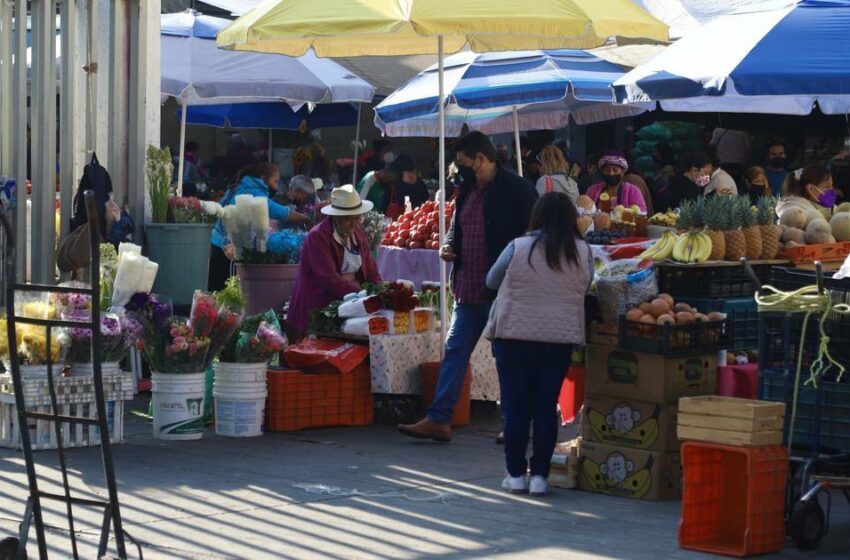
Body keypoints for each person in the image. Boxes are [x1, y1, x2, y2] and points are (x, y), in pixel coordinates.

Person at [397, 131, 537, 443]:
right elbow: (457, 227)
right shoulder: (466, 191)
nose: (460, 171)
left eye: (464, 164)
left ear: (482, 159)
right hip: (467, 286)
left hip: (502, 290)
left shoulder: (518, 190)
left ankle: (516, 422)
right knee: (455, 351)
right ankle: (438, 418)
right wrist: (448, 245)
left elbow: (533, 236)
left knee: (506, 358)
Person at [484, 192, 592, 495]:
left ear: (537, 215)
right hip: (556, 341)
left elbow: (491, 280)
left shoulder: (518, 247)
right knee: (545, 408)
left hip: (513, 338)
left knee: (515, 408)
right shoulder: (581, 251)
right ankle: (541, 478)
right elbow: (587, 284)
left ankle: (515, 475)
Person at [287, 185, 382, 341]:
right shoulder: (318, 237)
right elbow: (328, 279)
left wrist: (379, 291)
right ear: (336, 217)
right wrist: (363, 294)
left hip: (348, 303)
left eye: (357, 217)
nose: (354, 224)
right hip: (317, 307)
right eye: (348, 219)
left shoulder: (358, 235)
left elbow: (371, 271)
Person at [208, 162, 309, 291]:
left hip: (217, 242)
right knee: (225, 289)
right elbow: (279, 211)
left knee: (218, 289)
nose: (277, 187)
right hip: (227, 247)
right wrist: (305, 218)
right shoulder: (252, 191)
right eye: (275, 181)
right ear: (263, 179)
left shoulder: (240, 185)